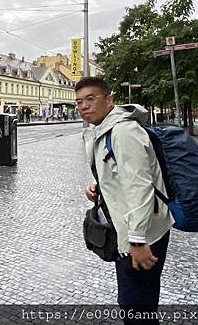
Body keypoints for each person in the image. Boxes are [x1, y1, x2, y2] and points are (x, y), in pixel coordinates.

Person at [77, 77, 172, 324]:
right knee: (137, 305)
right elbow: (122, 175)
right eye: (79, 102)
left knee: (137, 309)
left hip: (142, 235)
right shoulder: (105, 130)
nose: (83, 106)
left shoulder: (123, 131)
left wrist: (138, 241)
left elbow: (141, 187)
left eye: (90, 98)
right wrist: (100, 188)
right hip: (130, 231)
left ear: (109, 100)